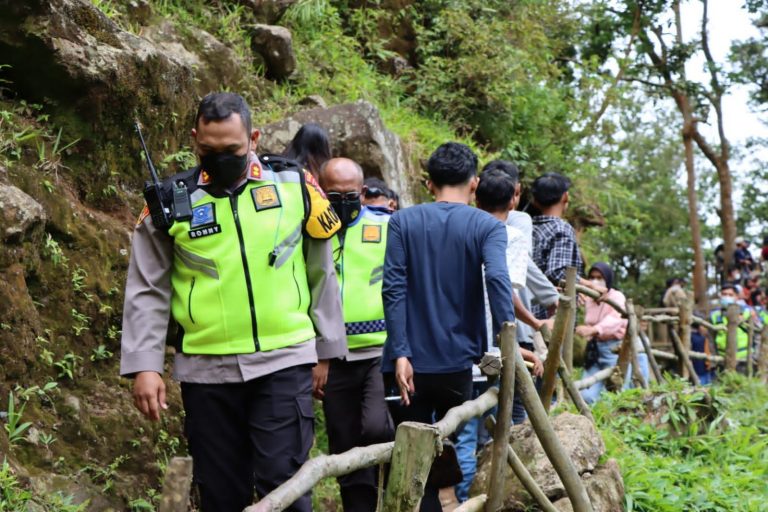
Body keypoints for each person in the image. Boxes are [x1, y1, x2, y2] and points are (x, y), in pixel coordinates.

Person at [120, 93, 346, 512]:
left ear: (254, 138)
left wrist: (327, 349)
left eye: (232, 150)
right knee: (222, 495)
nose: (220, 158)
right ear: (194, 140)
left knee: (287, 489)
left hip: (284, 361)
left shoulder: (296, 186)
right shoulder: (170, 203)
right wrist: (145, 365)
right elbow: (147, 287)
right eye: (208, 150)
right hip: (206, 371)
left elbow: (321, 271)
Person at [381, 142, 516, 512]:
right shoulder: (487, 226)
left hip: (407, 366)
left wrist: (401, 350)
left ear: (428, 183)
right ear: (474, 183)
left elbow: (393, 288)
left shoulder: (402, 221)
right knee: (448, 451)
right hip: (459, 363)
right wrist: (508, 342)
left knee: (411, 460)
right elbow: (499, 282)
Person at [452, 168, 544, 505]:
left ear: (476, 195)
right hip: (491, 346)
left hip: (455, 341)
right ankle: (486, 497)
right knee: (499, 424)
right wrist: (522, 345)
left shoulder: (459, 228)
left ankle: (463, 499)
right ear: (516, 197)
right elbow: (505, 295)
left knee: (463, 430)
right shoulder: (512, 236)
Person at [317, 158, 394, 511]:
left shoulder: (388, 228)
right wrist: (319, 355)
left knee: (377, 426)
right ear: (320, 190)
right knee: (343, 444)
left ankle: (393, 480)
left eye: (350, 194)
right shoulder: (312, 231)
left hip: (379, 352)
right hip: (334, 358)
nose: (343, 201)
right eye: (334, 194)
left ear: (363, 193)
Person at [530, 172, 584, 318]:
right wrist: (588, 285)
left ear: (534, 200)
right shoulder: (562, 229)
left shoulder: (527, 226)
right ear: (565, 196)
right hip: (550, 315)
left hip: (527, 309)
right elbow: (557, 271)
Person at [576, 263, 630, 404]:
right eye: (592, 277)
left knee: (617, 393)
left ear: (608, 279)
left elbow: (615, 320)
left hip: (613, 349)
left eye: (600, 277)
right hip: (594, 349)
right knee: (586, 395)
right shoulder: (589, 299)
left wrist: (594, 329)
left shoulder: (617, 296)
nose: (595, 281)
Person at [710, 284, 753, 365]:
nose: (727, 297)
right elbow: (710, 338)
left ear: (736, 297)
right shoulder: (714, 314)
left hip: (743, 358)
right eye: (724, 294)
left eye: (730, 295)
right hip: (722, 358)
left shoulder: (747, 312)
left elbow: (758, 333)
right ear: (720, 296)